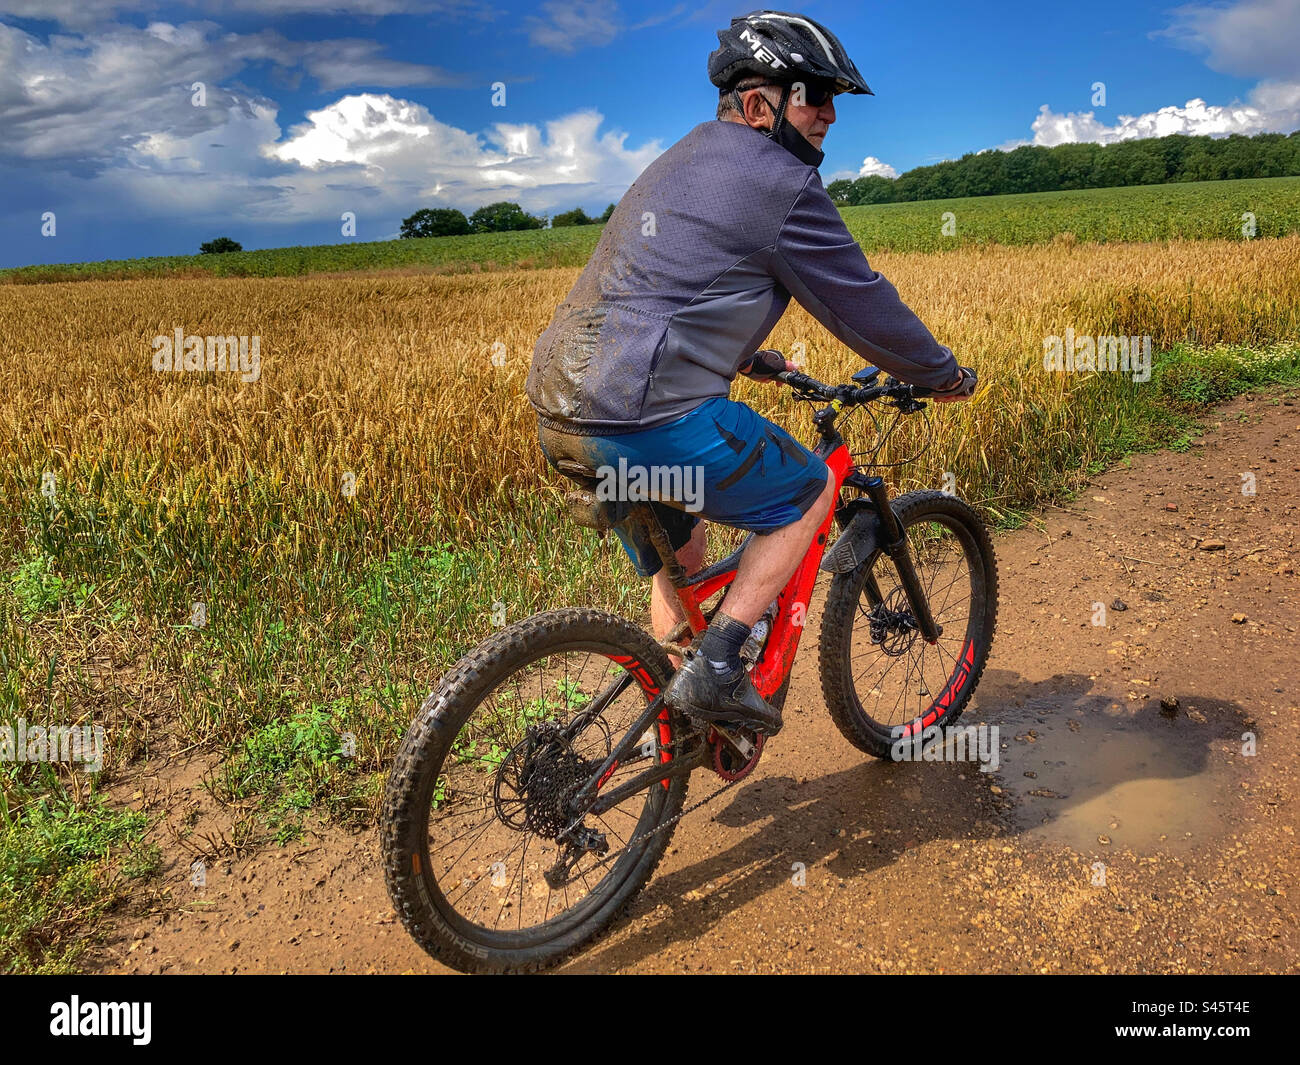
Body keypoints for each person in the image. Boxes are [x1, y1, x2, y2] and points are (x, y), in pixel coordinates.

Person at [525, 9, 974, 737]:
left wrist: (743, 359)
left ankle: (672, 729)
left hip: (564, 412)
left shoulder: (681, 160)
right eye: (812, 94)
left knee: (686, 549)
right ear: (760, 103)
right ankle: (718, 669)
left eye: (833, 98)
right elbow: (863, 303)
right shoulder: (780, 181)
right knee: (809, 490)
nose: (829, 113)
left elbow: (667, 285)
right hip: (646, 417)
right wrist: (941, 372)